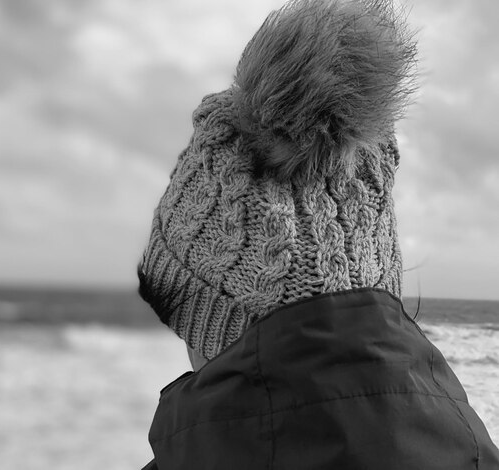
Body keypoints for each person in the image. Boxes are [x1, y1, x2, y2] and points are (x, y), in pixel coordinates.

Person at [137, 0, 499, 468]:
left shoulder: (202, 452)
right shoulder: (470, 451)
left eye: (188, 326)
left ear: (232, 344)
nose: (188, 357)